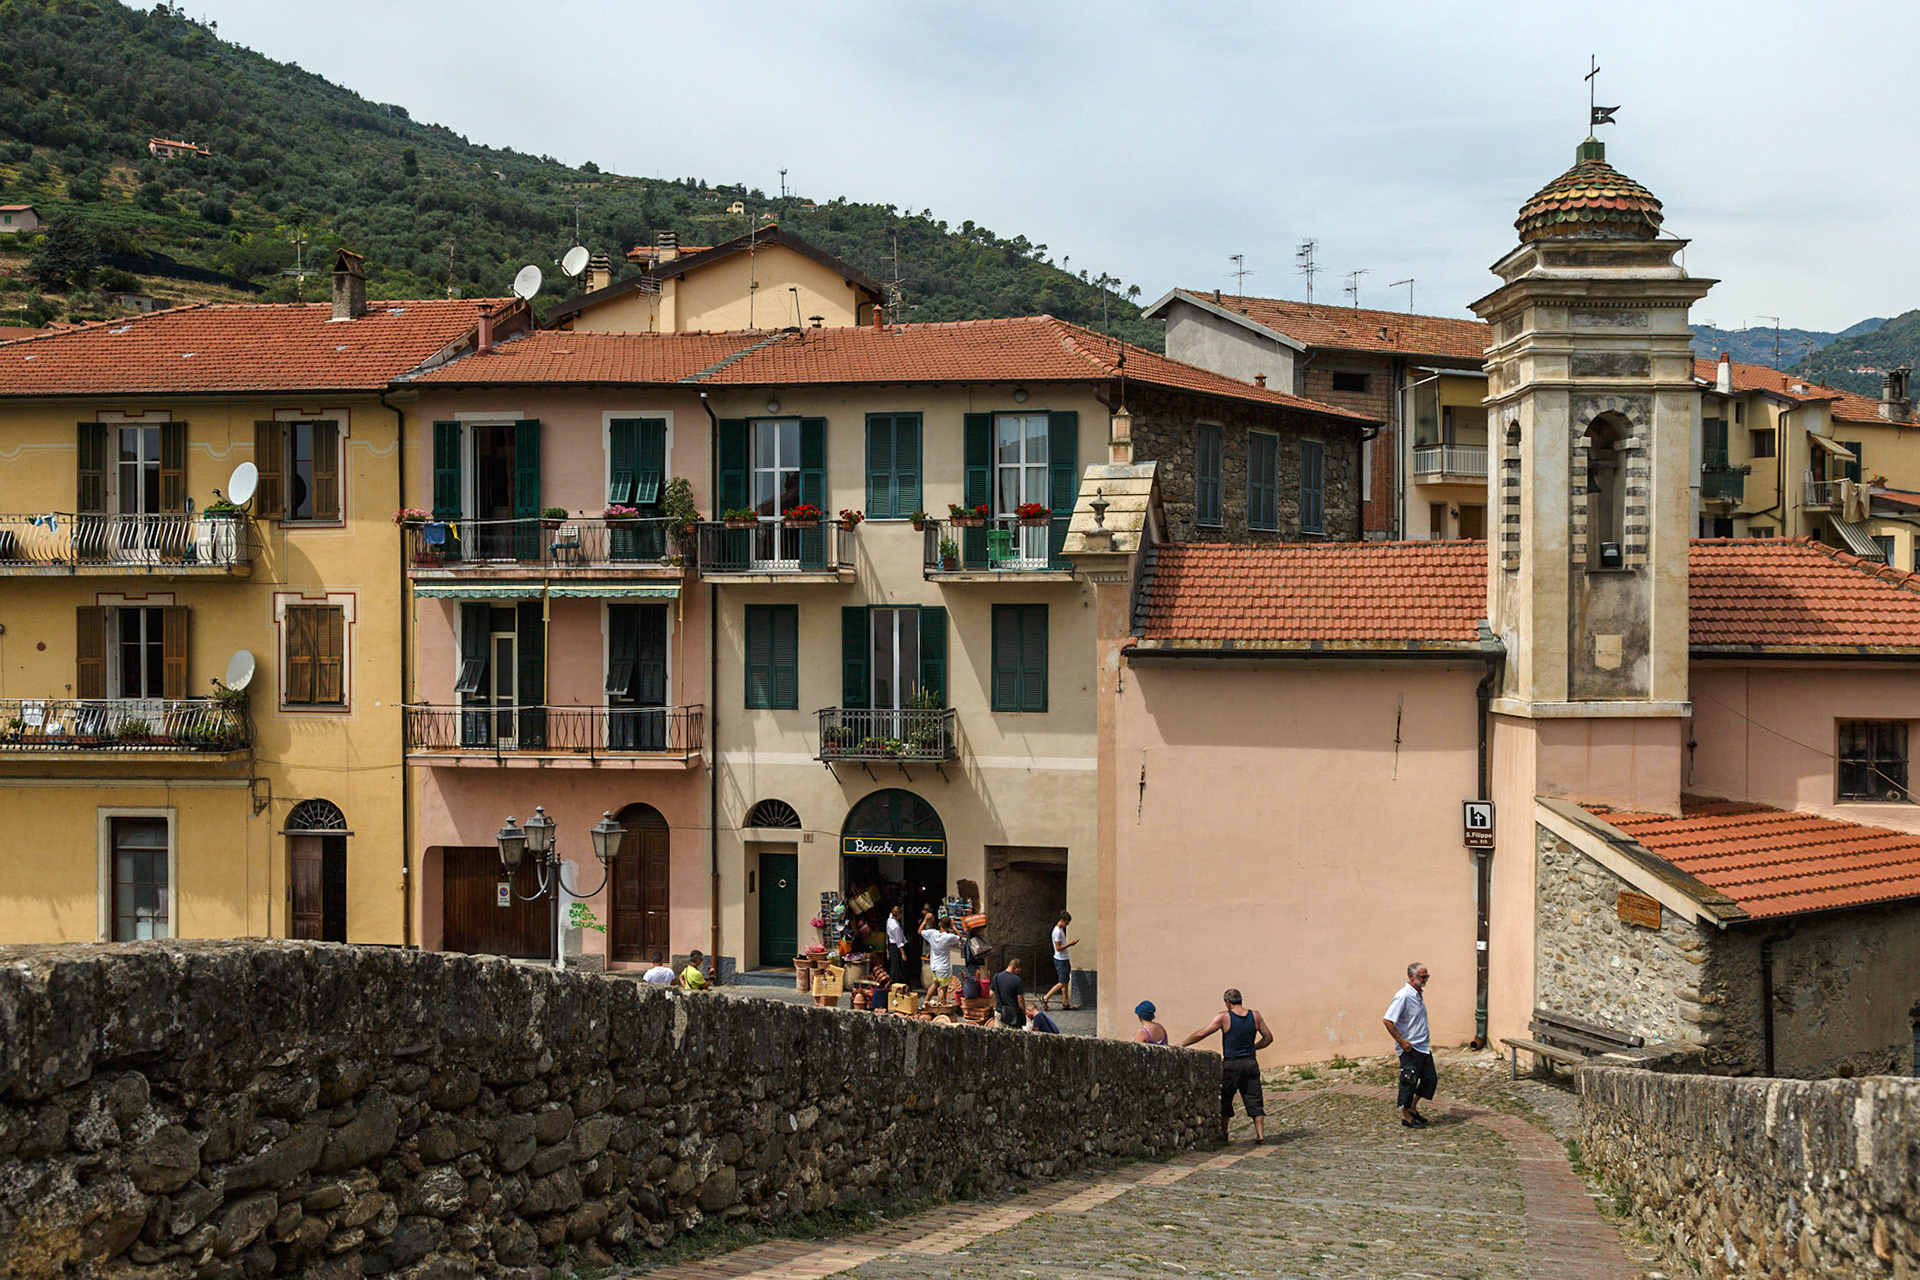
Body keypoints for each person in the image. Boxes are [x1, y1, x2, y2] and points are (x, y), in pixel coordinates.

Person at [1181, 988, 1274, 1143]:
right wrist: (1254, 1047)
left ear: (1227, 1002)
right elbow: (1268, 1038)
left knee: (1227, 1097)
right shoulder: (1255, 1016)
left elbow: (1202, 1033)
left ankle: (1224, 1133)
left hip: (1232, 1063)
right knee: (1254, 1097)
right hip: (1250, 1062)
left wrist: (1183, 1044)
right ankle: (1260, 1135)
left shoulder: (1224, 1017)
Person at [1383, 962, 1435, 1127]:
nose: (1426, 979)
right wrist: (1401, 1041)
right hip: (1410, 1047)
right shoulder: (1404, 995)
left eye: (1427, 976)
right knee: (1409, 1082)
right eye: (1422, 976)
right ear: (1412, 977)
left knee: (1430, 1079)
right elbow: (1388, 1020)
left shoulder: (1418, 994)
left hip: (1423, 1046)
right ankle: (1406, 1117)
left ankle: (1412, 1107)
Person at [919, 908, 963, 1001]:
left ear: (940, 924)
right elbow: (959, 937)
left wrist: (925, 920)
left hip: (934, 965)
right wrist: (954, 927)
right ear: (948, 926)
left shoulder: (932, 933)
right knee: (943, 988)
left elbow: (920, 931)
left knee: (935, 984)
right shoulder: (948, 937)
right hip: (943, 966)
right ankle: (941, 1005)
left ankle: (926, 1001)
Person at [1040, 911, 1077, 1011]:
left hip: (1064, 959)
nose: (1066, 925)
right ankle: (1045, 998)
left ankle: (1065, 1003)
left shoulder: (1060, 930)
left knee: (1065, 982)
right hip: (1061, 960)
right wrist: (1070, 944)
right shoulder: (1057, 932)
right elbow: (1058, 947)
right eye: (1066, 923)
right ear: (1061, 920)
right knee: (1061, 983)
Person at [990, 956, 1029, 1028]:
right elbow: (1020, 999)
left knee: (999, 1035)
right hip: (1012, 1014)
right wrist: (1023, 1011)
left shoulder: (996, 977)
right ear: (1017, 969)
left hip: (999, 1011)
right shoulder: (1017, 980)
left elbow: (991, 994)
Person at [885, 905, 910, 993]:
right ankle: (897, 987)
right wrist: (903, 953)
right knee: (897, 968)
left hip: (892, 946)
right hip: (896, 947)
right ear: (899, 915)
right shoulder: (896, 927)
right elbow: (899, 942)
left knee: (894, 966)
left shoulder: (889, 920)